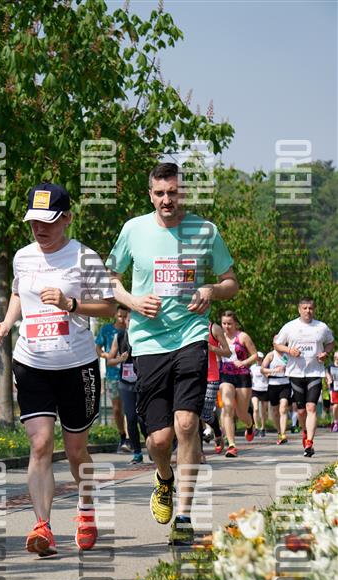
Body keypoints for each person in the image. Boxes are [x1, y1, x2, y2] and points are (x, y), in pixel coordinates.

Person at [106, 161, 238, 546]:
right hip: (148, 342)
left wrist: (211, 290)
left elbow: (231, 282)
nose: (167, 200)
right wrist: (132, 301)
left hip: (191, 335)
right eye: (160, 193)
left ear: (183, 194)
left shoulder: (205, 230)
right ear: (151, 195)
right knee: (160, 440)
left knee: (187, 423)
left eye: (174, 193)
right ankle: (164, 477)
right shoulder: (133, 229)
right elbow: (110, 278)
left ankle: (184, 515)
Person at [0, 182, 115, 557]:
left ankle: (86, 510)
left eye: (47, 222)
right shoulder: (23, 257)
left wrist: (70, 303)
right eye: (33, 222)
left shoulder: (85, 258)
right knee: (41, 443)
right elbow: (18, 293)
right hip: (32, 362)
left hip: (76, 365)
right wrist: (7, 322)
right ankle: (42, 526)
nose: (39, 229)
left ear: (67, 219)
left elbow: (109, 307)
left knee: (76, 451)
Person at [274, 298, 335, 457]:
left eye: (310, 308)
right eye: (305, 308)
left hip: (315, 372)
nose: (308, 311)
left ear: (314, 309)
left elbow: (331, 342)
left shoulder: (321, 327)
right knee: (301, 412)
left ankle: (309, 443)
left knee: (311, 407)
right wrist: (289, 351)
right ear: (299, 309)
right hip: (296, 373)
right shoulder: (290, 326)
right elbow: (277, 344)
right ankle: (305, 431)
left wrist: (325, 353)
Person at [105, 309, 143, 464]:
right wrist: (120, 359)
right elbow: (110, 360)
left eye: (133, 321)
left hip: (142, 382)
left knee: (143, 418)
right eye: (128, 320)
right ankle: (137, 452)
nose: (130, 323)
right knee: (131, 417)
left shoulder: (143, 336)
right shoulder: (119, 336)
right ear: (125, 322)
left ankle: (152, 445)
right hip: (125, 382)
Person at [219, 310, 258, 458]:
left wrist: (244, 362)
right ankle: (232, 445)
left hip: (242, 376)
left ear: (235, 324)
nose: (226, 326)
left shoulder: (243, 337)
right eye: (224, 323)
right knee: (227, 406)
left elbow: (255, 355)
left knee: (242, 414)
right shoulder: (219, 337)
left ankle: (249, 425)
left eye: (229, 323)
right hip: (225, 376)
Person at [95, 306, 129, 452]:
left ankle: (129, 439)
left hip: (130, 374)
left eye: (125, 316)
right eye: (120, 316)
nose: (122, 319)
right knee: (116, 409)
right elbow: (98, 348)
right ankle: (122, 436)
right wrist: (106, 356)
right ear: (115, 315)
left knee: (129, 408)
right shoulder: (107, 330)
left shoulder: (130, 329)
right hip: (113, 374)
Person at [201, 320, 231, 457]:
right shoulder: (185, 324)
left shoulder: (213, 328)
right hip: (192, 376)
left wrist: (212, 348)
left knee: (205, 414)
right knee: (193, 413)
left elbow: (228, 352)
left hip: (210, 376)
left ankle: (217, 432)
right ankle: (198, 452)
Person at [261, 346, 291, 444]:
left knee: (283, 408)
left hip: (285, 383)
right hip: (273, 384)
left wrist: (287, 369)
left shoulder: (288, 354)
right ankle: (279, 431)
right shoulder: (271, 355)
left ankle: (283, 434)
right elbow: (262, 369)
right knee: (275, 411)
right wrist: (274, 370)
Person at [250, 351, 269, 437]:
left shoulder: (266, 367)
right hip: (255, 389)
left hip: (265, 389)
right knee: (256, 408)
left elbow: (269, 376)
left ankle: (263, 427)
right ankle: (256, 427)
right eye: (257, 358)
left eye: (260, 358)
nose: (258, 360)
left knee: (264, 411)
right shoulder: (252, 367)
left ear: (262, 359)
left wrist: (265, 373)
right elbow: (250, 377)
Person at [326, 351, 338, 432]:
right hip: (334, 389)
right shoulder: (330, 366)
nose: (337, 358)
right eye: (336, 357)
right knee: (335, 406)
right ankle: (335, 422)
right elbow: (327, 376)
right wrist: (328, 378)